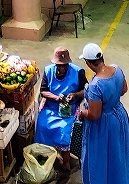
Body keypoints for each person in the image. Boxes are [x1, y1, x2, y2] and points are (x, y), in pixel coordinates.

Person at [77, 43, 129, 184]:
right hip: (119, 116)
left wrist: (83, 112)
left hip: (104, 125)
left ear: (88, 63)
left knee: (100, 157)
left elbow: (95, 115)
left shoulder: (95, 85)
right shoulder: (117, 69)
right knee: (117, 154)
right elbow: (124, 89)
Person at [35, 47, 87, 176]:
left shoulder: (78, 72)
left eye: (64, 65)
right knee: (42, 125)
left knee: (64, 131)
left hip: (69, 109)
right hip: (51, 107)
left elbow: (85, 91)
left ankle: (66, 161)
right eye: (59, 65)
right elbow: (43, 91)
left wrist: (74, 95)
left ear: (68, 63)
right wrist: (56, 97)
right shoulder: (48, 71)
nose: (61, 68)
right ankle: (46, 156)